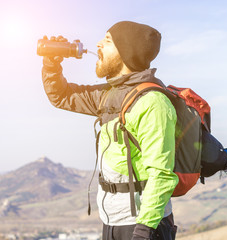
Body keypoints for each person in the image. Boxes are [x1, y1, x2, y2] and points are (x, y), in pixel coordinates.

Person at [41, 21, 179, 240]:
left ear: (126, 51)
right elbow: (62, 96)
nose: (97, 45)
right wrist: (51, 65)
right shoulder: (108, 95)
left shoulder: (152, 103)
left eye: (107, 40)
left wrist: (144, 231)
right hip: (112, 221)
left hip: (144, 224)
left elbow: (161, 174)